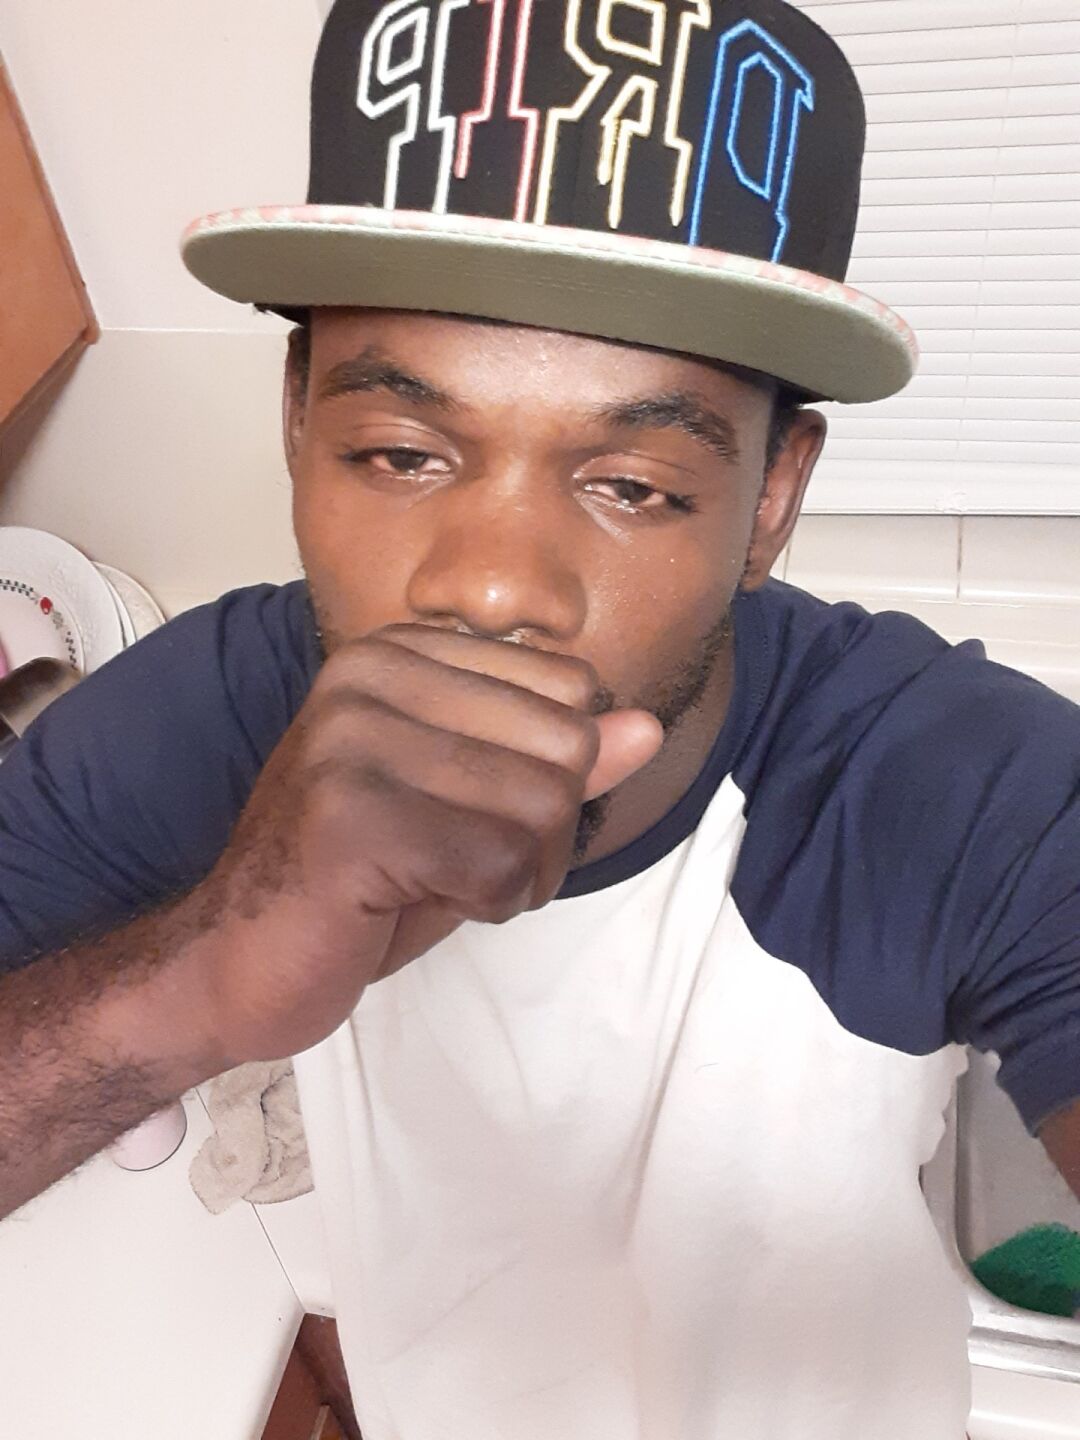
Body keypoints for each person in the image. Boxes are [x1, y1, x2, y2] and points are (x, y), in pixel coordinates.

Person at [1, 0, 1077, 1435]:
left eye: (634, 484)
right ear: (297, 420)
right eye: (401, 452)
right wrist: (193, 985)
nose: (494, 585)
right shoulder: (210, 717)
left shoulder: (950, 781)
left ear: (769, 499)